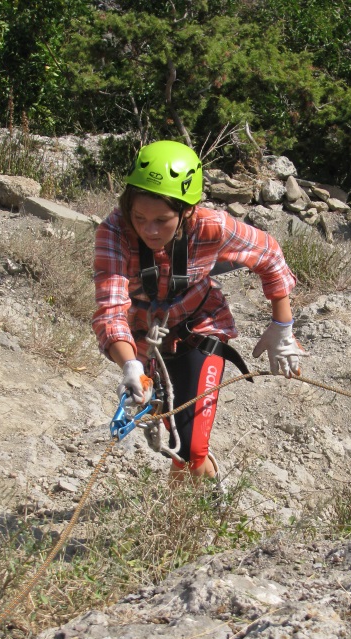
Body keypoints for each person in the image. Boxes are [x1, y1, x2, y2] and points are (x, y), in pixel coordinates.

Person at [92, 140, 305, 482]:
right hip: (147, 344)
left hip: (201, 328)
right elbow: (110, 310)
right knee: (181, 442)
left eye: (162, 220)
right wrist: (130, 366)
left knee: (190, 447)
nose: (149, 230)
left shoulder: (211, 227)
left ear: (187, 211)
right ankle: (205, 497)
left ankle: (179, 521)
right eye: (140, 217)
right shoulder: (115, 233)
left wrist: (283, 326)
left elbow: (269, 255)